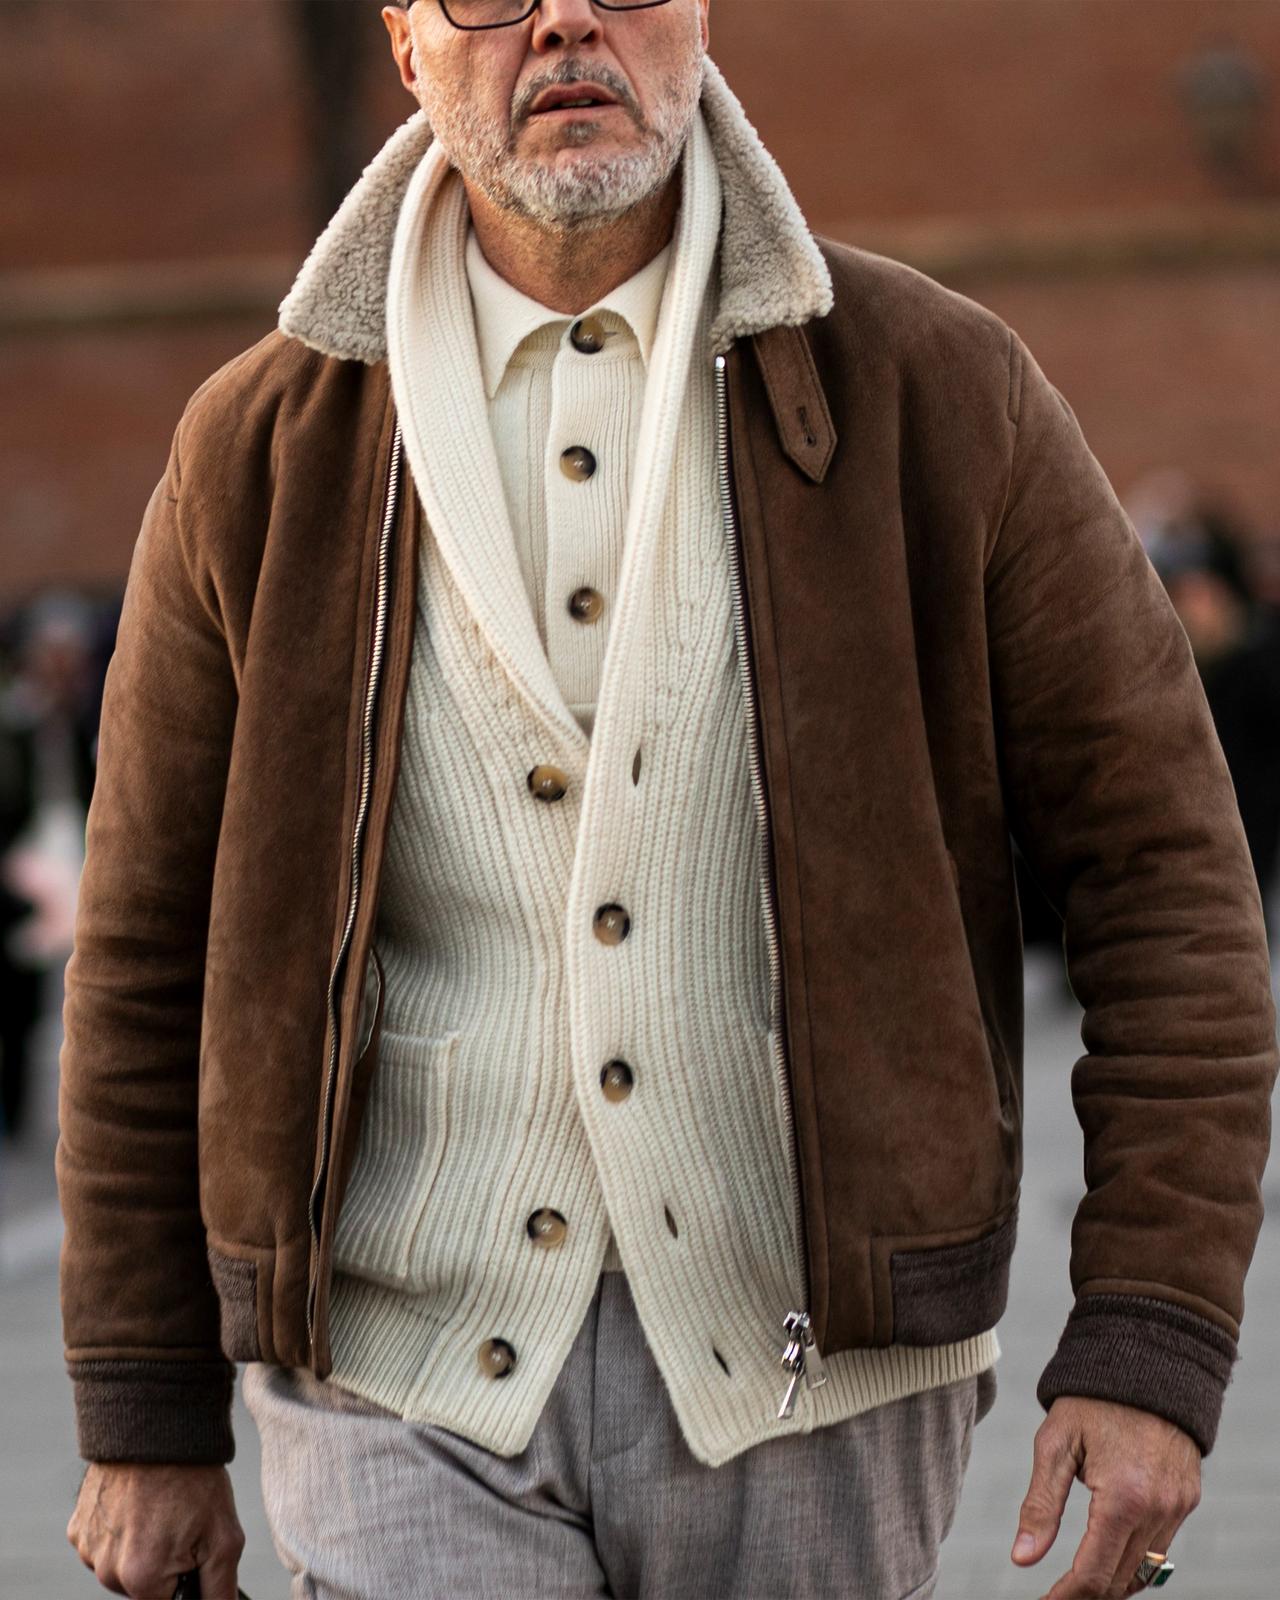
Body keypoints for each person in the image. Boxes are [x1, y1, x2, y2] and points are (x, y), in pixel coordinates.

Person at [60, 2, 1278, 1597]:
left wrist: (1148, 1337)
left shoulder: (939, 389)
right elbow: (146, 949)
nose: (567, 19)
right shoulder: (260, 448)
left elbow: (1170, 885)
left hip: (806, 1385)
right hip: (399, 1370)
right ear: (407, 45)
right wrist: (144, 1408)